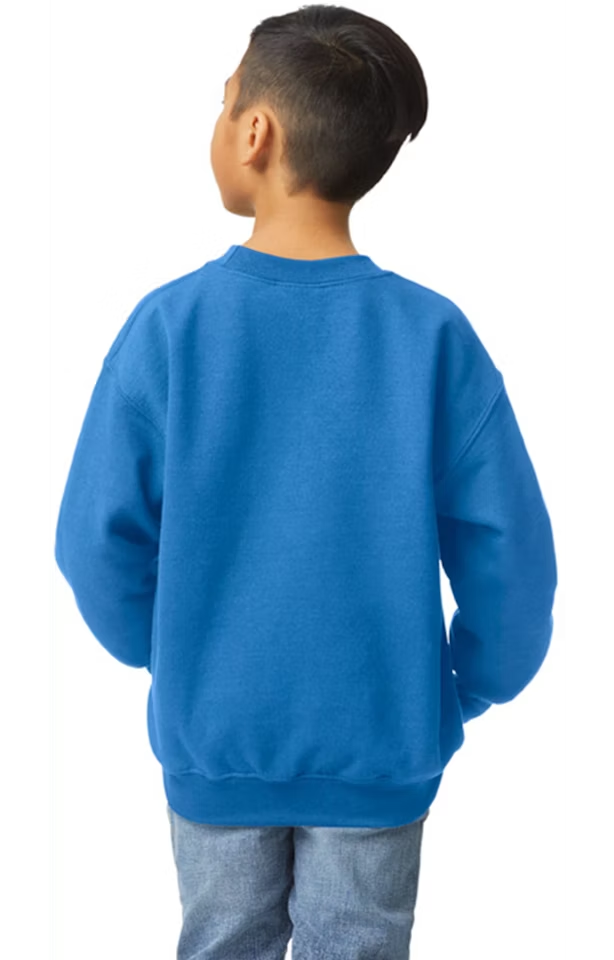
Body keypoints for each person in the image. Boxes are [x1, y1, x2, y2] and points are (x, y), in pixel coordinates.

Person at [54, 5, 558, 958]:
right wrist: (467, 687)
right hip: (383, 740)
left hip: (216, 738)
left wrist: (172, 654)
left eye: (223, 101)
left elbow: (91, 540)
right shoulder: (435, 337)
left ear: (255, 132)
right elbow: (514, 559)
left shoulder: (169, 328)